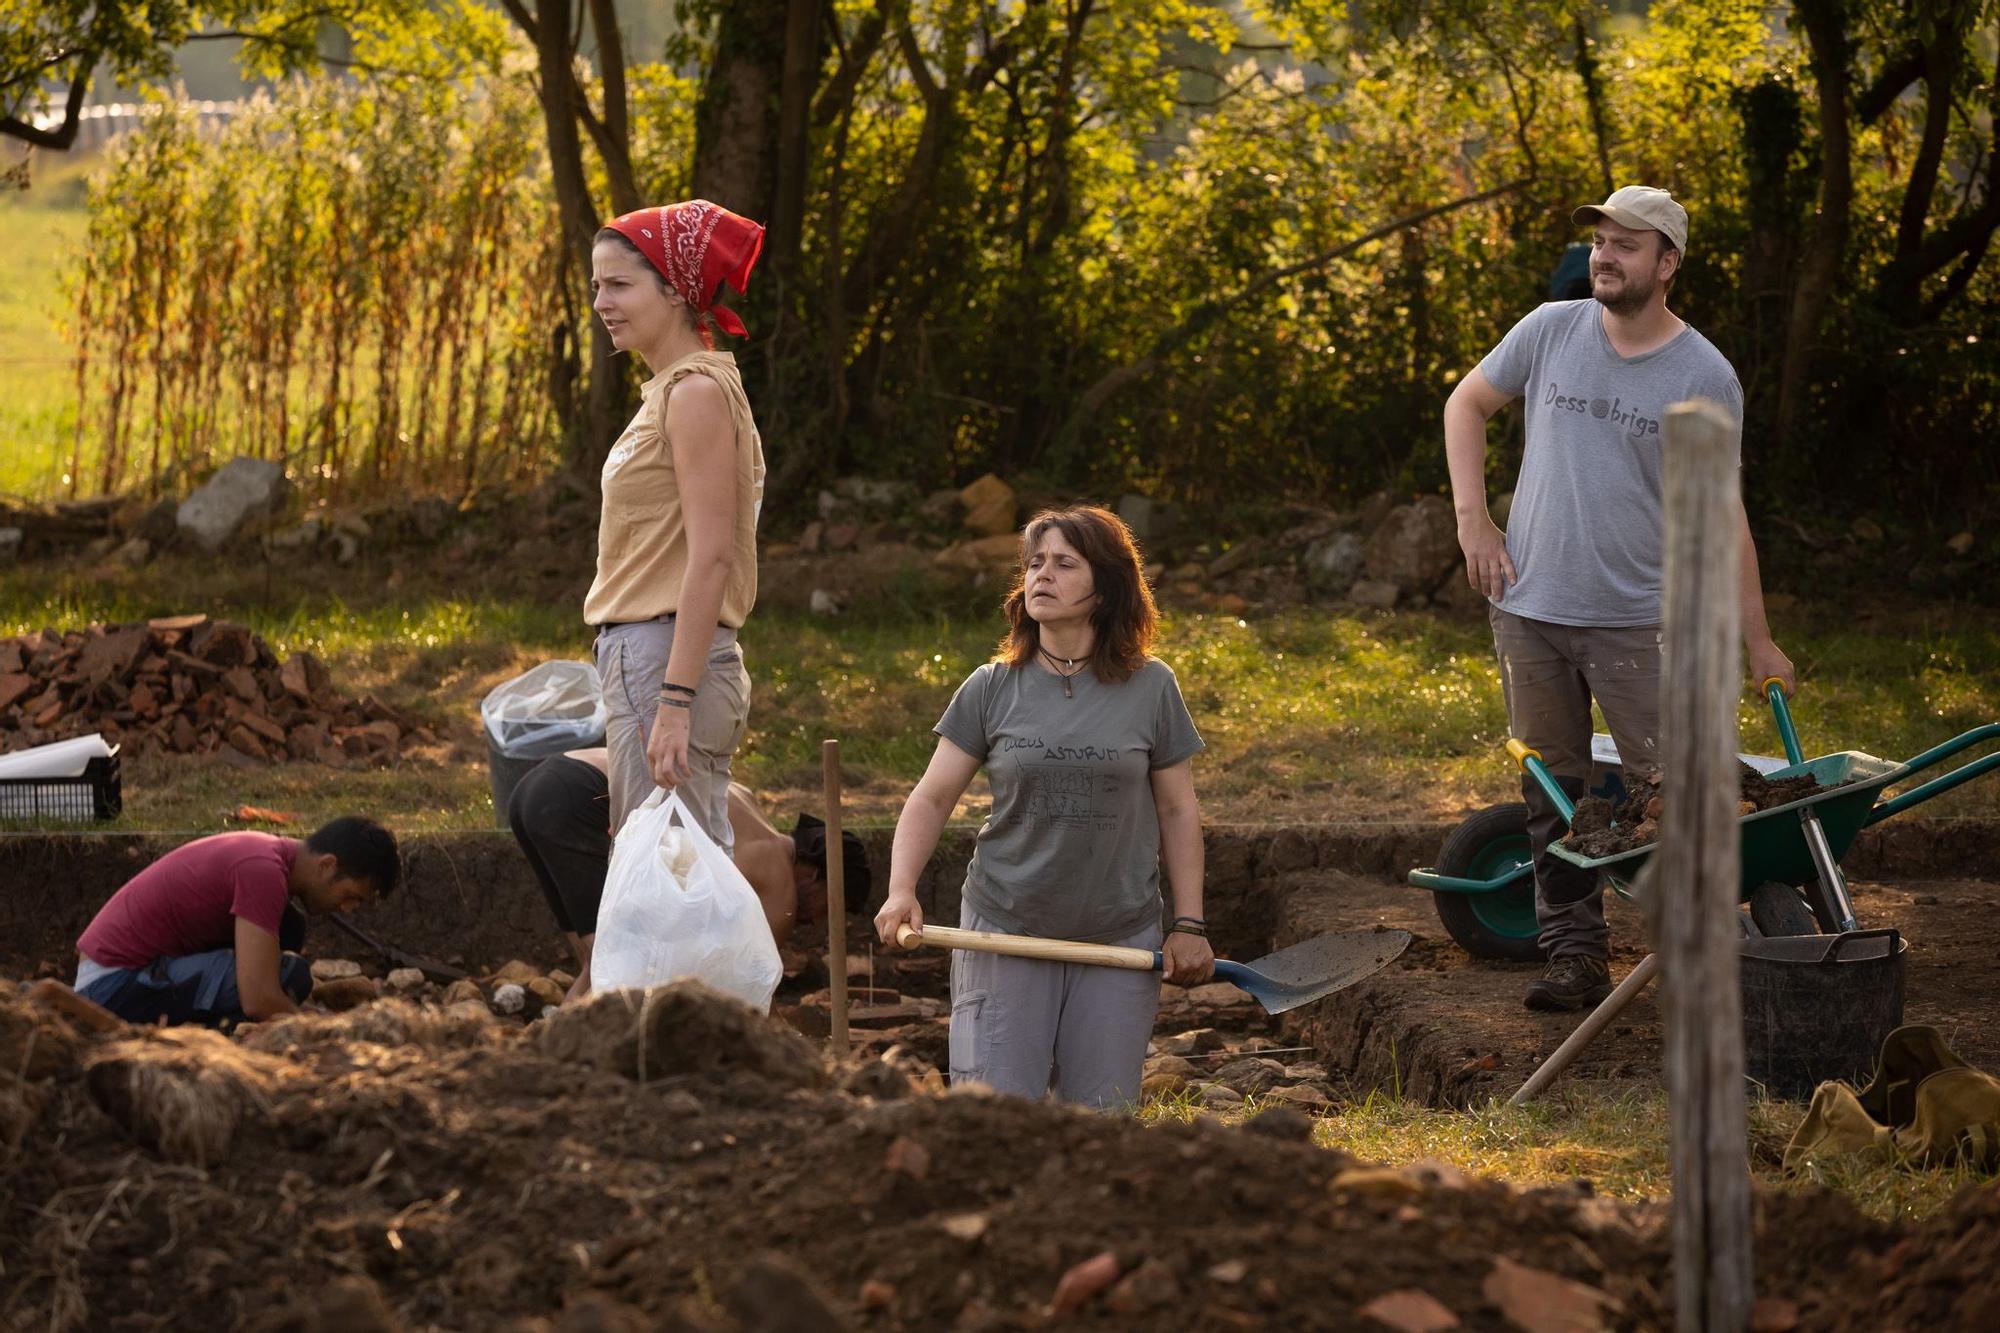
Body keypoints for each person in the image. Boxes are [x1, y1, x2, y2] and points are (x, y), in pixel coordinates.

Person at [1443, 184, 1796, 1012]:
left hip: (1639, 621)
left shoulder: (1702, 374)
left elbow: (1723, 517)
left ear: (1667, 264)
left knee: (1673, 788)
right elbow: (1467, 403)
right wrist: (1474, 521)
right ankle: (1574, 955)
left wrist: (1760, 640)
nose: (1604, 254)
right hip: (1529, 611)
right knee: (1554, 794)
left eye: (1626, 244)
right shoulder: (1550, 329)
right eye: (1600, 239)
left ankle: (1719, 949)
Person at [873, 505, 1213, 1109]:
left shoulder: (1152, 686)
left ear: (1106, 588)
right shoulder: (991, 686)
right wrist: (902, 889)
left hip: (1117, 935)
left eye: (1063, 563)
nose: (1041, 576)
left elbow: (1179, 813)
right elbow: (931, 798)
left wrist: (1189, 923)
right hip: (1006, 928)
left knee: (1098, 1124)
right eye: (1034, 564)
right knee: (997, 1122)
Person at [584, 199, 767, 860]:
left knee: (669, 880)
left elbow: (712, 557)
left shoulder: (694, 393)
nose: (602, 301)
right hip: (650, 655)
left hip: (664, 655)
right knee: (672, 869)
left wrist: (674, 701)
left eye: (620, 284)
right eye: (597, 286)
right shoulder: (679, 389)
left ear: (675, 289)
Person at [505, 749, 872, 994]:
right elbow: (745, 981)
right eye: (829, 908)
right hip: (577, 798)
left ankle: (548, 1060)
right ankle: (554, 1069)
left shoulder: (750, 808)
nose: (816, 922)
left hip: (538, 787)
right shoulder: (778, 884)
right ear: (815, 875)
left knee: (595, 963)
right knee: (612, 968)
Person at [72, 817, 400, 1027]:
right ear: (327, 865)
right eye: (350, 895)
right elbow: (258, 999)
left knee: (289, 930)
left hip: (126, 972)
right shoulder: (263, 872)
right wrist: (314, 1029)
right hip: (110, 988)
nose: (348, 909)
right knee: (288, 977)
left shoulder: (269, 855)